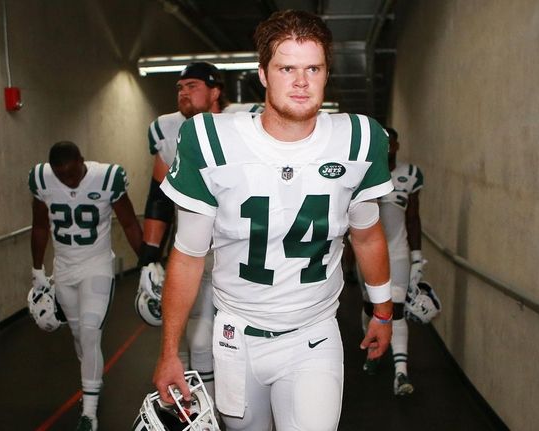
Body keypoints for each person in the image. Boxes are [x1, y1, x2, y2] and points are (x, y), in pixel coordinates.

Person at [153, 10, 394, 431]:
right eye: (287, 68)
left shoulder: (358, 139)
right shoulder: (210, 141)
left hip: (314, 334)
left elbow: (368, 236)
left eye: (313, 68)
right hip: (235, 336)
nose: (301, 81)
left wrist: (383, 312)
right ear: (263, 74)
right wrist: (169, 351)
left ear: (326, 73)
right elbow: (189, 254)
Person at [137, 62, 263, 400]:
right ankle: (205, 412)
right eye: (179, 87)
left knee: (247, 339)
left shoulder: (246, 121)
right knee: (198, 339)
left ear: (216, 91)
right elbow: (159, 196)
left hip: (244, 251)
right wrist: (149, 256)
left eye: (192, 85)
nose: (183, 92)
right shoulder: (167, 130)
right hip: (195, 251)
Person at [28, 141, 142, 431]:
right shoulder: (42, 179)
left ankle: (89, 412)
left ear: (82, 160)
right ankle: (92, 382)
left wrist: (148, 259)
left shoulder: (105, 178)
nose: (68, 181)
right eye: (61, 175)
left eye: (73, 173)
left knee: (91, 333)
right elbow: (40, 226)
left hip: (96, 266)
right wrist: (37, 269)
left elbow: (128, 222)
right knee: (79, 336)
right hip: (64, 270)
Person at [358, 127, 425, 397]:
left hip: (397, 254)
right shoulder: (363, 175)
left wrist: (417, 258)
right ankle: (373, 351)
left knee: (394, 310)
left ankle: (401, 373)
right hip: (371, 257)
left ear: (397, 146)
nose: (386, 148)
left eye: (390, 143)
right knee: (370, 306)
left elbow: (413, 217)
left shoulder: (409, 175)